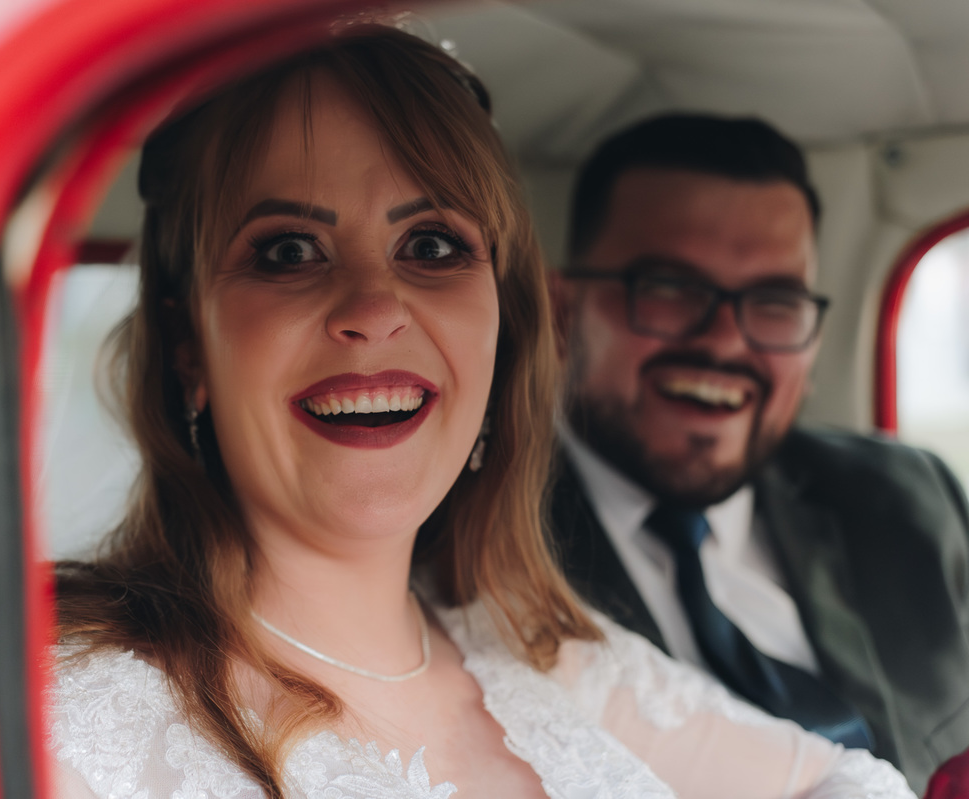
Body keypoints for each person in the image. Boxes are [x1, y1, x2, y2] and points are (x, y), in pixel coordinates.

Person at [48, 29, 914, 798]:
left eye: (431, 246)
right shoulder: (65, 715)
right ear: (188, 343)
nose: (374, 308)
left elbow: (851, 780)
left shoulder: (542, 654)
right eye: (288, 251)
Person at [549, 112, 969, 794]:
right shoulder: (470, 538)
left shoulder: (910, 496)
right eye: (670, 288)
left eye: (775, 301)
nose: (724, 341)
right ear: (561, 312)